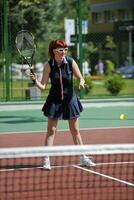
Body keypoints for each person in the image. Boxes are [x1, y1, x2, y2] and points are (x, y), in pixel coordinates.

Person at [30, 39, 96, 170]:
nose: (64, 52)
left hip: (70, 99)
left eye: (66, 49)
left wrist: (81, 82)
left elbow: (80, 77)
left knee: (75, 130)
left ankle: (83, 157)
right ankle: (46, 159)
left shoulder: (70, 62)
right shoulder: (49, 65)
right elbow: (42, 87)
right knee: (51, 130)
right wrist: (35, 81)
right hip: (54, 100)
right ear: (54, 51)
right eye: (61, 50)